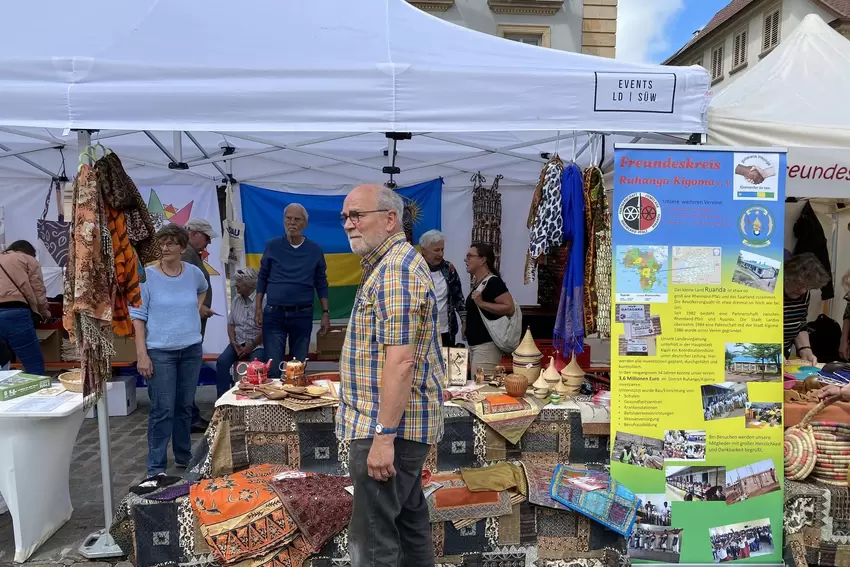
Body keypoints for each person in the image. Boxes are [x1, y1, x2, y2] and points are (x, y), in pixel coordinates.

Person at [336, 184, 444, 567]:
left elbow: (400, 362)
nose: (348, 224)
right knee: (409, 524)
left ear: (389, 218)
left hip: (385, 427)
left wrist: (384, 437)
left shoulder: (396, 269)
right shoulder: (390, 265)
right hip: (393, 425)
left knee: (373, 538)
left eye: (357, 215)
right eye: (345, 217)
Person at [131, 224, 208, 476]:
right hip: (160, 352)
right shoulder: (147, 277)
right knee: (163, 409)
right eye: (161, 243)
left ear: (182, 247)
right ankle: (156, 467)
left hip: (190, 349)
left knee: (185, 407)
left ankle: (184, 457)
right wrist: (142, 354)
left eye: (170, 243)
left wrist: (193, 311)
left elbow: (203, 289)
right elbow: (138, 317)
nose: (164, 248)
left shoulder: (194, 273)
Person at [255, 203, 330, 378]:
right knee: (273, 368)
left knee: (297, 370)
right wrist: (258, 308)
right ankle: (273, 405)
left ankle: (296, 404)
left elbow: (321, 282)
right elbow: (262, 277)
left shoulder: (314, 250)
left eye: (297, 219)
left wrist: (325, 312)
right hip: (274, 315)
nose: (292, 223)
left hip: (302, 315)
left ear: (305, 223)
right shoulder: (272, 246)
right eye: (288, 218)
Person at [183, 218, 219, 432]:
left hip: (195, 322)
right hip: (191, 322)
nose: (208, 243)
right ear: (193, 234)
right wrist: (200, 307)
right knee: (189, 370)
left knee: (190, 370)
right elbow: (185, 289)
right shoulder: (187, 255)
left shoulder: (191, 254)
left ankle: (191, 414)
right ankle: (189, 416)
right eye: (206, 238)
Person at [463, 242, 515, 374]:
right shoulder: (480, 283)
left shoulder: (493, 282)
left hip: (486, 347)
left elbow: (509, 307)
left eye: (470, 256)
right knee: (477, 387)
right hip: (476, 346)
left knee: (481, 389)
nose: (466, 260)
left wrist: (482, 304)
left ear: (482, 260)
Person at [0, 240, 50, 375]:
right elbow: (38, 290)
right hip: (16, 314)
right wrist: (45, 313)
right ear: (30, 252)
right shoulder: (28, 260)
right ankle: (39, 394)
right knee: (33, 364)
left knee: (3, 363)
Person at [215, 268, 266, 398]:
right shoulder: (236, 300)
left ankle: (253, 400)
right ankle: (223, 400)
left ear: (250, 284)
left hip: (257, 344)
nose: (235, 284)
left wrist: (252, 345)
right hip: (237, 343)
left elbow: (267, 329)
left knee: (256, 366)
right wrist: (233, 342)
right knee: (222, 362)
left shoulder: (263, 300)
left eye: (239, 281)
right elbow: (231, 324)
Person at [418, 229, 465, 347]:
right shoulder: (415, 270)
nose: (440, 254)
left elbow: (458, 297)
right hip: (422, 330)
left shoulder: (449, 269)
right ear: (423, 250)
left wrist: (464, 319)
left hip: (446, 330)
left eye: (442, 249)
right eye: (436, 250)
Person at [784, 252, 830, 364]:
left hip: (784, 356)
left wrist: (805, 350)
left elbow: (800, 324)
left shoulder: (803, 295)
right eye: (799, 283)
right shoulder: (768, 292)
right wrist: (772, 354)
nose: (803, 291)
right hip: (759, 354)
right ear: (787, 275)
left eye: (808, 287)